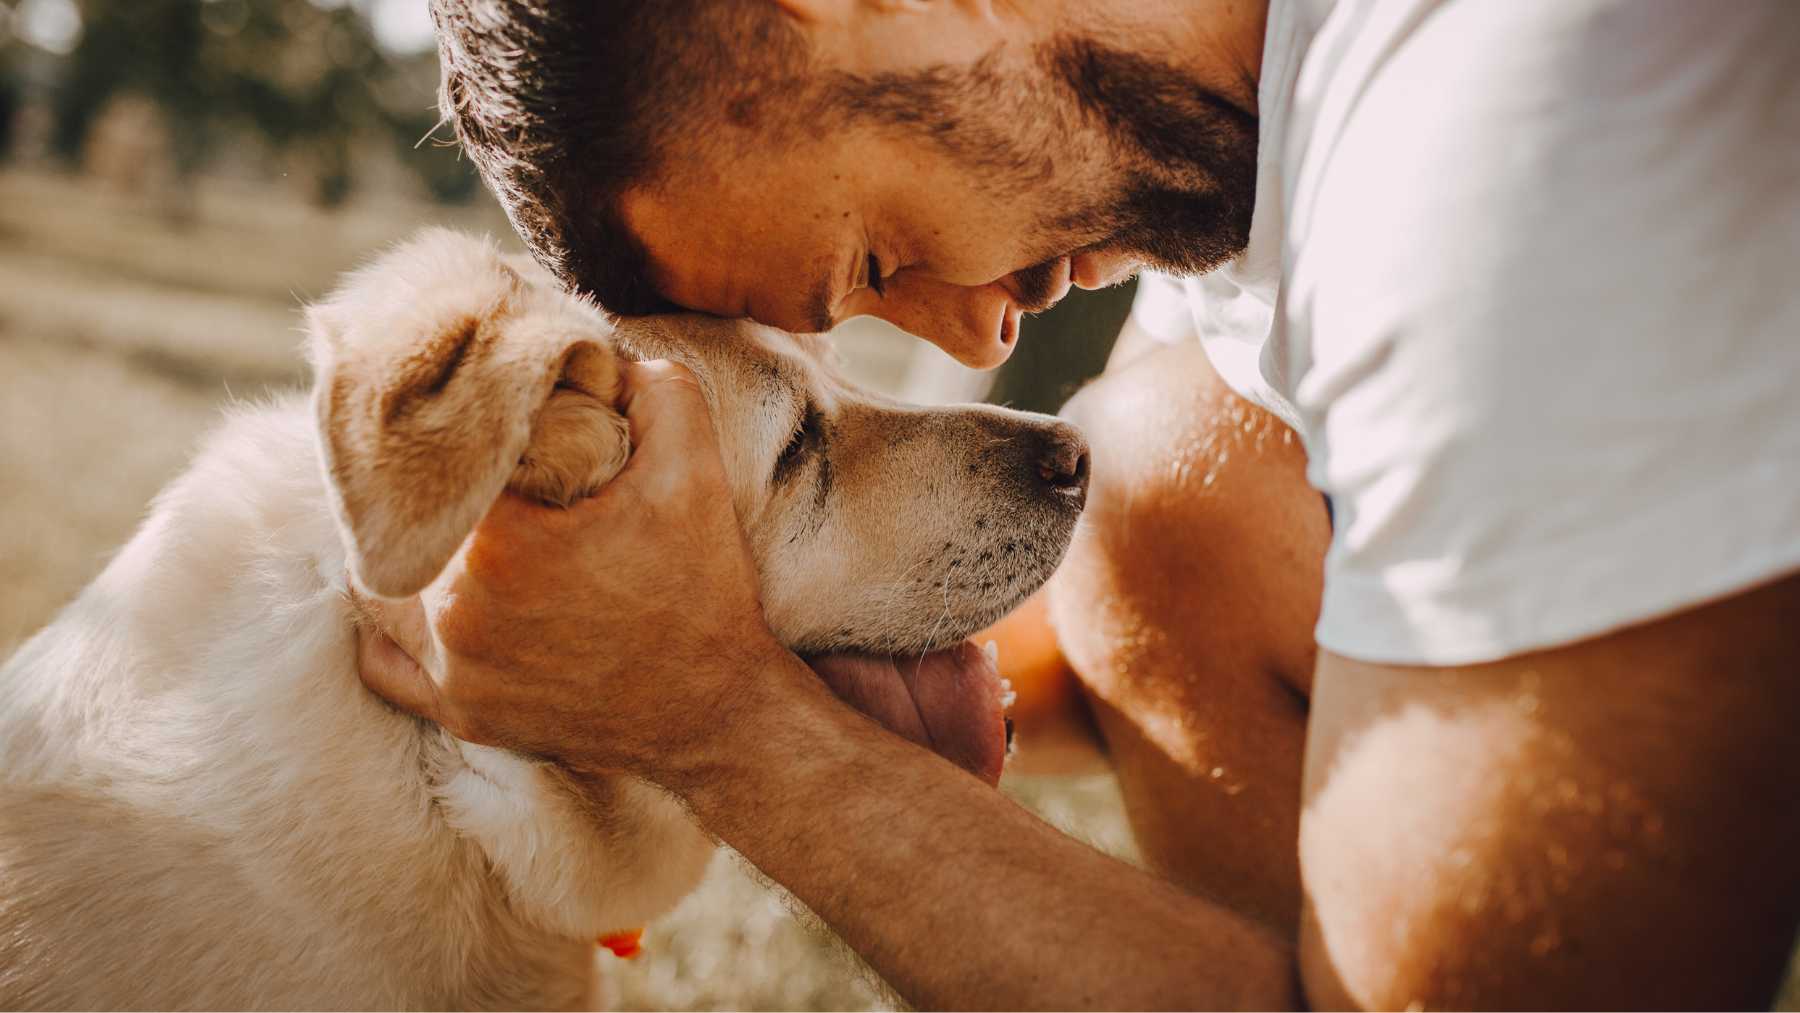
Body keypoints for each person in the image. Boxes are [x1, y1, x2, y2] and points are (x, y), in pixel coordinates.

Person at [360, 0, 1800, 1006]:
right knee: (1167, 490)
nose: (975, 340)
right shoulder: (1273, 142)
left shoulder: (1506, 124)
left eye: (869, 259)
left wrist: (718, 721)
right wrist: (624, 643)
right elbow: (1117, 622)